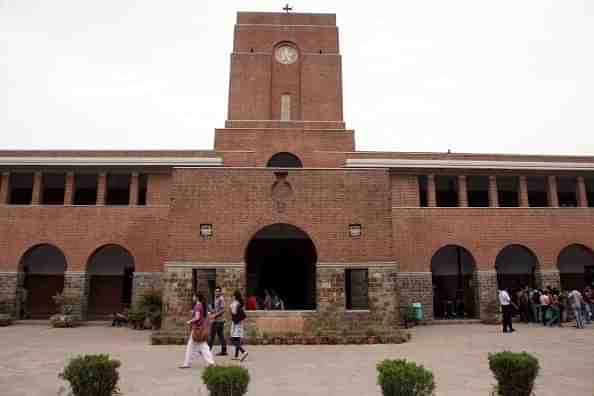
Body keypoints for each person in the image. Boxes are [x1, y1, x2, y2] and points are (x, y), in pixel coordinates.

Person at [180, 293, 214, 368]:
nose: (193, 297)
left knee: (193, 346)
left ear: (197, 297)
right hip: (200, 328)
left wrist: (190, 321)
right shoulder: (202, 305)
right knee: (202, 346)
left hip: (196, 329)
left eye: (194, 296)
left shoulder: (197, 306)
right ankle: (210, 362)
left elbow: (197, 317)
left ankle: (187, 363)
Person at [208, 286, 228, 356]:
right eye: (216, 291)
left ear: (220, 292)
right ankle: (224, 351)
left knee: (211, 336)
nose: (217, 292)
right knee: (221, 336)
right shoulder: (215, 299)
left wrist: (214, 315)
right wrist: (211, 310)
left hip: (218, 321)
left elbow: (223, 310)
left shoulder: (221, 299)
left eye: (218, 291)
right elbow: (217, 310)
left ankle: (207, 351)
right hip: (218, 320)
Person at [230, 290, 248, 362]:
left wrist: (231, 308)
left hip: (235, 323)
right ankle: (236, 355)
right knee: (237, 339)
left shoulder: (235, 304)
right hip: (240, 323)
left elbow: (234, 312)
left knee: (233, 339)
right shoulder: (240, 303)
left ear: (235, 296)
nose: (232, 297)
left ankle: (243, 352)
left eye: (233, 295)